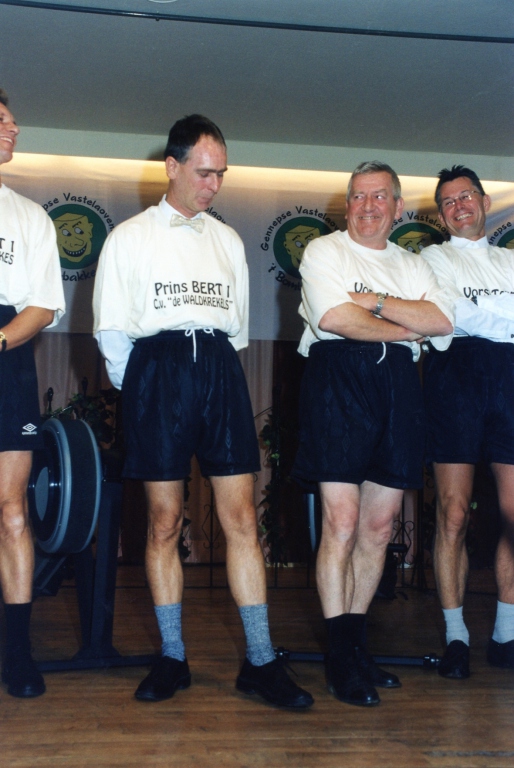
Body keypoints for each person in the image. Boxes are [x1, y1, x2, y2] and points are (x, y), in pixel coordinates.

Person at [93, 114, 313, 709]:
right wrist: (144, 391)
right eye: (204, 172)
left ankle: (261, 661)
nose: (214, 184)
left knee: (240, 518)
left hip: (218, 367)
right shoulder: (130, 237)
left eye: (221, 174)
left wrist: (209, 376)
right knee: (164, 522)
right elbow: (111, 330)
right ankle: (172, 656)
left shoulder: (228, 241)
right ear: (172, 166)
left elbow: (236, 332)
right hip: (156, 372)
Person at [293, 161, 453, 706]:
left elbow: (442, 321)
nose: (368, 206)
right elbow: (335, 318)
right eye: (359, 196)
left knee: (379, 527)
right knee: (340, 522)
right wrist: (406, 326)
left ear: (398, 207)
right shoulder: (324, 251)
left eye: (379, 196)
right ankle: (339, 657)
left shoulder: (414, 264)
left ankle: (356, 646)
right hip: (337, 380)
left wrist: (375, 303)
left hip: (398, 388)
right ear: (347, 205)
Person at [421, 165, 514, 678]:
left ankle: (506, 634)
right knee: (453, 514)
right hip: (454, 379)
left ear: (484, 202)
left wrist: (492, 325)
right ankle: (456, 636)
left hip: (510, 381)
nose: (459, 206)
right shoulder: (432, 259)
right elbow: (452, 316)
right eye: (448, 202)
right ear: (441, 215)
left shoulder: (510, 261)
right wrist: (506, 324)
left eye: (466, 197)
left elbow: (476, 316)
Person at [0, 89, 65, 697]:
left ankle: (17, 653)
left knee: (12, 509)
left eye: (14, 121)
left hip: (8, 354)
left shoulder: (30, 217)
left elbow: (42, 305)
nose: (13, 128)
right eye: (1, 120)